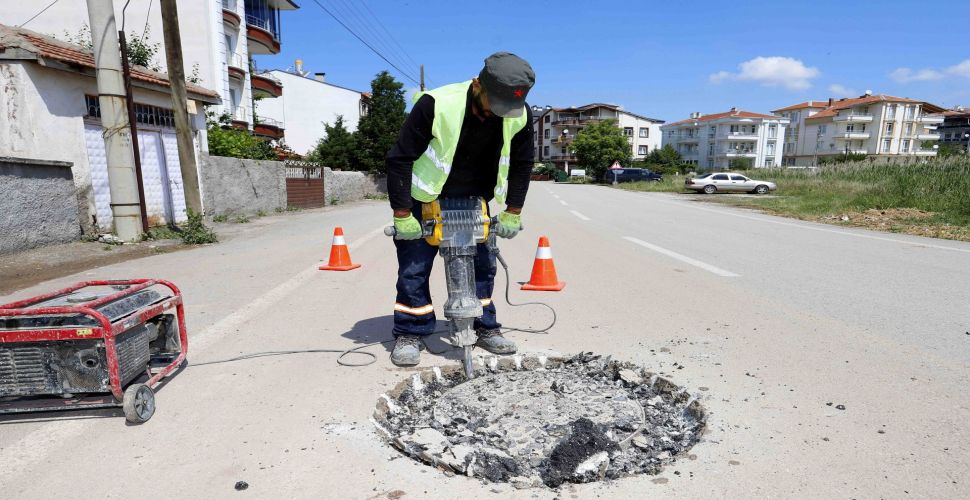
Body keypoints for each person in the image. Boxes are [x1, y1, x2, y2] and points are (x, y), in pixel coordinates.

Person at [385, 52, 536, 366]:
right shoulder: (436, 104)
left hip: (474, 200)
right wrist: (402, 213)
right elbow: (399, 159)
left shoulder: (520, 114)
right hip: (424, 197)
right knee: (414, 270)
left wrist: (514, 210)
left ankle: (483, 326)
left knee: (482, 268)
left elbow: (522, 164)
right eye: (496, 104)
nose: (500, 114)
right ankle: (411, 330)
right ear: (478, 85)